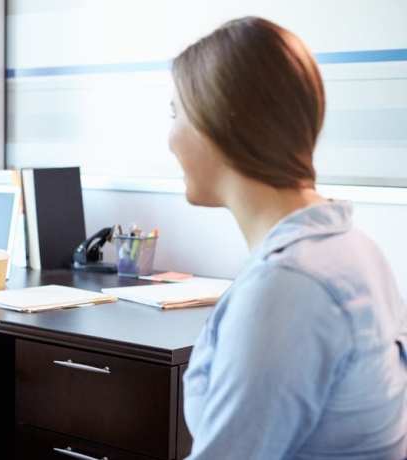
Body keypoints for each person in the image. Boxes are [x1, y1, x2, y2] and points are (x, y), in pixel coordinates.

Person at [169, 17, 407, 458]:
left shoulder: (288, 287)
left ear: (219, 122)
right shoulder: (353, 248)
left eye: (175, 113)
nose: (169, 139)